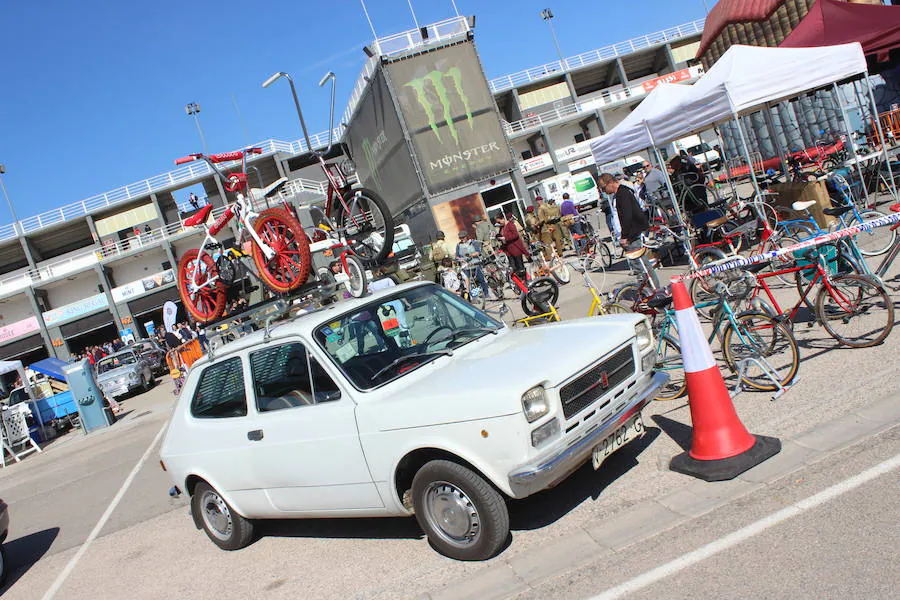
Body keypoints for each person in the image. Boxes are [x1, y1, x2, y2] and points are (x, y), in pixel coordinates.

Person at [598, 173, 659, 290]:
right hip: (631, 233)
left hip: (632, 234)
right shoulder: (620, 193)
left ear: (610, 183)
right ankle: (649, 290)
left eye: (604, 188)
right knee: (641, 265)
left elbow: (627, 216)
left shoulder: (623, 193)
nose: (604, 191)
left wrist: (624, 236)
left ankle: (651, 291)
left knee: (641, 265)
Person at [455, 230, 489, 299]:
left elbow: (478, 252)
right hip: (466, 266)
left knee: (480, 279)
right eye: (460, 238)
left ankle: (486, 293)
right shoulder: (459, 245)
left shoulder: (473, 242)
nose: (462, 239)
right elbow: (457, 255)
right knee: (469, 281)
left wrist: (471, 255)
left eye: (463, 237)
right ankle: (474, 296)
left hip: (475, 263)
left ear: (466, 236)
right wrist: (459, 259)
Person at [495, 212, 528, 281]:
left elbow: (515, 235)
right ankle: (519, 281)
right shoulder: (501, 228)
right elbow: (501, 235)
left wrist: (505, 238)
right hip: (508, 250)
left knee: (520, 266)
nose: (499, 223)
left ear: (503, 219)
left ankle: (524, 280)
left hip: (515, 248)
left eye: (499, 221)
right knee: (513, 267)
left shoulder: (510, 224)